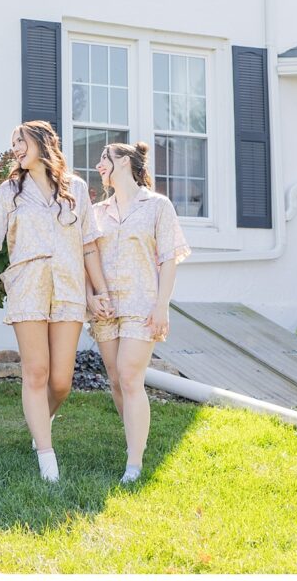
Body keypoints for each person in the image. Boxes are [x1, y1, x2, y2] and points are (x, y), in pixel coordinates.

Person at [0, 120, 112, 482]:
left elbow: (89, 245)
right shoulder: (10, 190)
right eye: (12, 142)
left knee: (60, 381)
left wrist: (101, 291)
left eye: (20, 141)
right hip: (28, 287)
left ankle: (40, 426)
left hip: (69, 288)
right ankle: (47, 456)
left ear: (43, 143)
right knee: (36, 373)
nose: (15, 148)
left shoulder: (76, 188)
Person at [91, 141, 190, 484]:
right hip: (106, 307)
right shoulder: (97, 212)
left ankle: (134, 464)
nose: (99, 165)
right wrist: (92, 297)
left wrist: (162, 305)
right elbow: (88, 259)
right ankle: (133, 439)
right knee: (117, 380)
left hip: (142, 304)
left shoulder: (157, 206)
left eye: (105, 159)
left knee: (130, 377)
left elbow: (168, 258)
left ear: (125, 162)